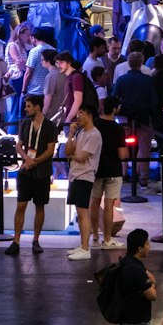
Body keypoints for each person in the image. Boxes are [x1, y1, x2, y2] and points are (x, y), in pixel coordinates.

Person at [5, 95, 58, 256]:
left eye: (28, 106)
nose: (26, 109)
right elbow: (18, 145)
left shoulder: (49, 126)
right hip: (25, 171)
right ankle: (16, 241)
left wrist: (35, 161)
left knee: (39, 206)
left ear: (37, 107)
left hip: (41, 173)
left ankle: (36, 240)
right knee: (21, 205)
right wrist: (27, 159)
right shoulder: (24, 123)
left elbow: (50, 150)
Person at [112, 52, 157, 188]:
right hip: (143, 118)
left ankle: (124, 173)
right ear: (141, 63)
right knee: (144, 148)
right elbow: (154, 100)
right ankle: (143, 177)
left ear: (129, 63)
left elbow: (114, 98)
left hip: (125, 118)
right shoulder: (148, 80)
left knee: (123, 144)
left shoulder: (122, 79)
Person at [64, 103, 102, 260]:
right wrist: (71, 134)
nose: (78, 116)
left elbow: (81, 156)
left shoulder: (94, 135)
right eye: (77, 113)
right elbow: (67, 150)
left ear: (90, 116)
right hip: (75, 175)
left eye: (81, 113)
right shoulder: (80, 132)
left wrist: (72, 156)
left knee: (83, 212)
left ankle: (86, 248)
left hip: (85, 176)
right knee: (79, 213)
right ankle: (82, 244)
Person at [89, 96, 127, 250]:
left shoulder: (94, 124)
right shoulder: (118, 129)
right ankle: (107, 238)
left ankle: (95, 238)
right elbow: (122, 155)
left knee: (94, 203)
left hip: (95, 169)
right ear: (115, 109)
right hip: (113, 170)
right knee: (109, 205)